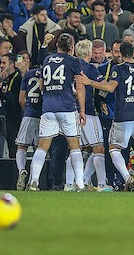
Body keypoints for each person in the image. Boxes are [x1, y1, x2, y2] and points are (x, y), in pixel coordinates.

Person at [77, 41, 134, 192]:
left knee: (113, 149)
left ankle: (127, 178)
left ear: (120, 53)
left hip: (123, 115)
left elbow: (110, 87)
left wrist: (89, 82)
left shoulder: (118, 69)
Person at [28, 33, 86, 191]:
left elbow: (41, 86)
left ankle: (33, 181)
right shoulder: (74, 61)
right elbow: (80, 86)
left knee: (42, 147)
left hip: (48, 108)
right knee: (74, 146)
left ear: (57, 45)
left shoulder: (47, 60)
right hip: (66, 107)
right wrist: (82, 109)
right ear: (72, 47)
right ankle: (79, 183)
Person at [70, 39, 111, 192]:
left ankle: (71, 183)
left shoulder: (70, 66)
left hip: (71, 112)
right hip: (87, 112)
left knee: (77, 148)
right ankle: (101, 184)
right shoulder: (90, 69)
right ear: (89, 52)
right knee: (98, 148)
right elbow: (107, 87)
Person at [15, 63, 42, 190]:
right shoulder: (47, 72)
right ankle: (33, 180)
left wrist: (26, 110)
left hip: (29, 113)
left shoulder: (28, 75)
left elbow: (21, 99)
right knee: (40, 149)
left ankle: (21, 170)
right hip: (43, 115)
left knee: (22, 146)